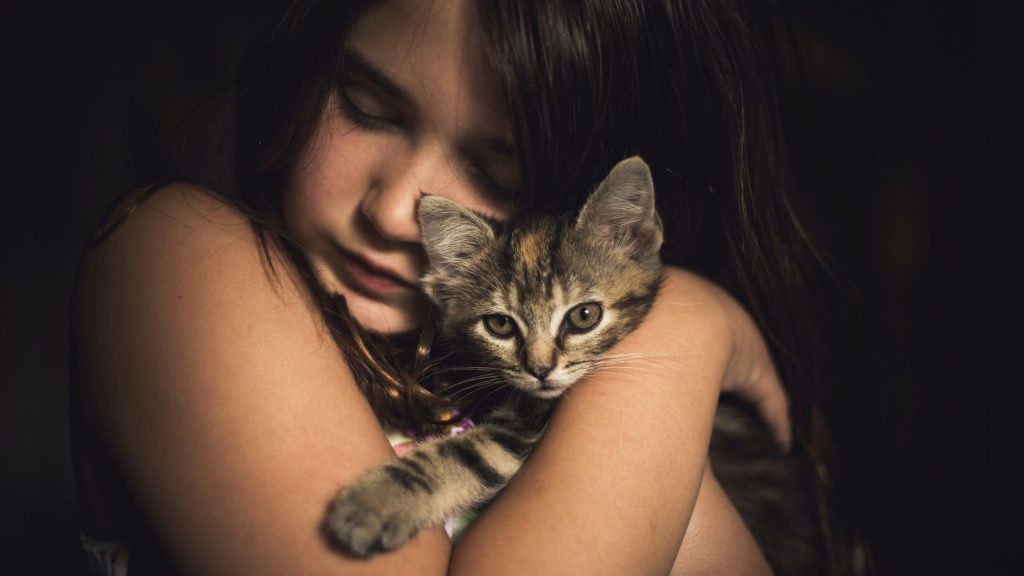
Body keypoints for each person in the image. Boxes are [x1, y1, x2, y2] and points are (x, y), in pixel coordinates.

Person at [70, 0, 853, 574]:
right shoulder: (178, 260)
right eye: (366, 106)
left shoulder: (566, 391)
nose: (395, 210)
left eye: (495, 170)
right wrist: (686, 330)